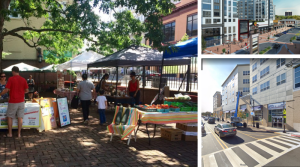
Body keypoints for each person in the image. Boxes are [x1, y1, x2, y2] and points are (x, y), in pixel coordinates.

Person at [0, 66, 29, 138]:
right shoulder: (23, 79)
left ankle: (10, 134)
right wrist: (21, 92)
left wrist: (0, 94)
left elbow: (6, 89)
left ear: (13, 71)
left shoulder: (11, 79)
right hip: (21, 101)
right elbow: (27, 90)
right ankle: (19, 134)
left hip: (13, 101)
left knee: (10, 117)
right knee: (20, 117)